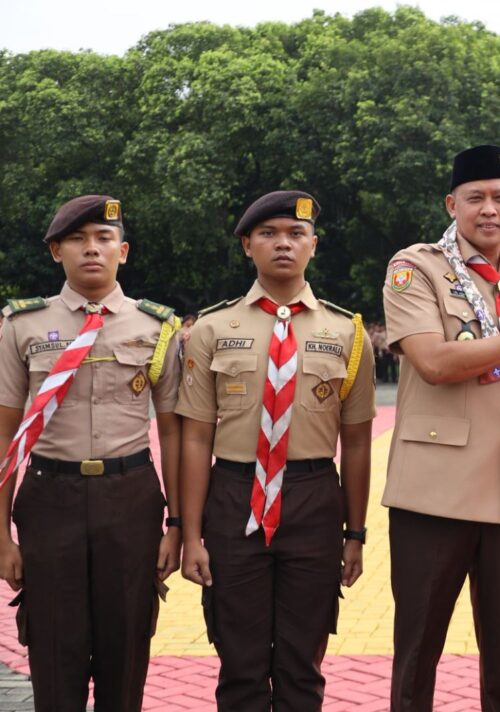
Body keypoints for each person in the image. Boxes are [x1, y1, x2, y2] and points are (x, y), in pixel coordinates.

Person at [381, 144, 500, 712]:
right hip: (437, 490)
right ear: (452, 203)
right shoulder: (415, 268)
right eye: (476, 198)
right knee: (419, 648)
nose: (489, 209)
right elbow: (434, 364)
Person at [177, 190, 375, 711]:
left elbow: (355, 441)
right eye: (268, 234)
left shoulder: (348, 333)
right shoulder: (213, 329)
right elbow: (195, 436)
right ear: (247, 244)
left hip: (312, 498)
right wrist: (191, 536)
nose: (282, 243)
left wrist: (354, 534)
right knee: (238, 662)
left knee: (302, 664)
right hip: (234, 495)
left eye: (296, 234)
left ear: (314, 244)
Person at [0, 195, 182, 711]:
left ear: (123, 251)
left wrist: (177, 523)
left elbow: (173, 433)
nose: (92, 249)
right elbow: (5, 433)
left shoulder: (157, 327)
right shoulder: (21, 325)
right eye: (77, 239)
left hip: (131, 498)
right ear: (56, 251)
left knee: (126, 643)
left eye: (104, 239)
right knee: (54, 646)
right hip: (48, 497)